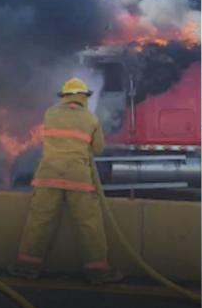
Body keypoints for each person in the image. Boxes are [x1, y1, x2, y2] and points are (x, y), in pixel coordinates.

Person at [8, 78, 124, 285]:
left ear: (64, 97)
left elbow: (46, 140)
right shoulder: (90, 119)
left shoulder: (50, 114)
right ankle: (97, 272)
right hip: (78, 179)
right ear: (83, 97)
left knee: (39, 222)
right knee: (88, 224)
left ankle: (27, 268)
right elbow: (97, 149)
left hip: (47, 176)